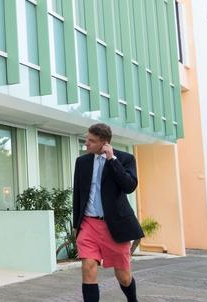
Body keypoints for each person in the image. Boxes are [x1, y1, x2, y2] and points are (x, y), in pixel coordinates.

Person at [73, 123, 144, 302]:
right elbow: (78, 195)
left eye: (91, 141)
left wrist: (112, 160)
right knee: (88, 267)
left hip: (115, 226)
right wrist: (76, 225)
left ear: (104, 143)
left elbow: (129, 186)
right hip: (89, 223)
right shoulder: (82, 162)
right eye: (87, 139)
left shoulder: (125, 158)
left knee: (123, 276)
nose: (86, 143)